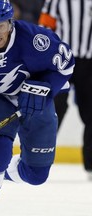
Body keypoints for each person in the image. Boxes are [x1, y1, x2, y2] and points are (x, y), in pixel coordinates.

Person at [0, 0, 75, 215]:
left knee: (36, 175)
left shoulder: (36, 40)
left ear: (11, 23)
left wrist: (46, 87)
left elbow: (66, 64)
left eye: (1, 25)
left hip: (36, 101)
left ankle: (4, 170)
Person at [39, 0, 92, 180]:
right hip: (61, 59)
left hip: (90, 63)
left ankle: (91, 165)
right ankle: (38, 156)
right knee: (55, 107)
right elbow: (45, 26)